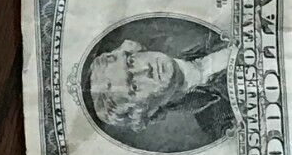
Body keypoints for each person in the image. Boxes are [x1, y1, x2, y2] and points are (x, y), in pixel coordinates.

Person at [89, 39, 233, 144]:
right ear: (147, 110)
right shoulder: (218, 124)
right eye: (135, 86)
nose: (146, 69)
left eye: (131, 62)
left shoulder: (204, 35)